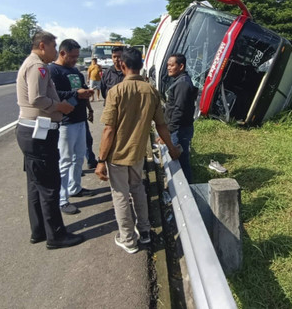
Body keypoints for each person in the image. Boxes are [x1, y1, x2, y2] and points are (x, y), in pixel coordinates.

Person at [95, 48, 180, 254]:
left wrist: (100, 160)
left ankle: (128, 239)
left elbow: (108, 130)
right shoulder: (151, 91)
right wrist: (172, 148)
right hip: (137, 154)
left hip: (117, 156)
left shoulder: (116, 92)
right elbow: (161, 125)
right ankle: (145, 231)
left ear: (122, 66)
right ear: (140, 65)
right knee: (138, 190)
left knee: (121, 196)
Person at [15, 31, 84, 249]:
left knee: (36, 185)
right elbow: (36, 98)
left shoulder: (33, 64)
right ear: (43, 46)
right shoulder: (39, 66)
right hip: (39, 132)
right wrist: (59, 106)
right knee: (49, 185)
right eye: (54, 47)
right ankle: (56, 236)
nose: (55, 51)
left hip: (31, 131)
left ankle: (40, 231)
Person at [47, 39, 95, 216]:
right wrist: (76, 93)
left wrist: (88, 105)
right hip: (65, 123)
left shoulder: (75, 71)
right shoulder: (54, 71)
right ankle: (62, 199)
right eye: (73, 56)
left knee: (79, 156)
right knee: (65, 161)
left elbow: (82, 90)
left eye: (77, 56)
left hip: (80, 119)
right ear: (62, 53)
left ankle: (75, 188)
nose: (76, 60)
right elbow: (54, 95)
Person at [164, 53, 198, 183]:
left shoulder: (182, 84)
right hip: (179, 128)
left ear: (181, 66)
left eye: (172, 65)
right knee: (180, 160)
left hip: (179, 130)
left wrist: (169, 130)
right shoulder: (180, 81)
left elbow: (179, 109)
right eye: (168, 65)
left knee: (181, 162)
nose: (169, 68)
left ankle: (187, 189)